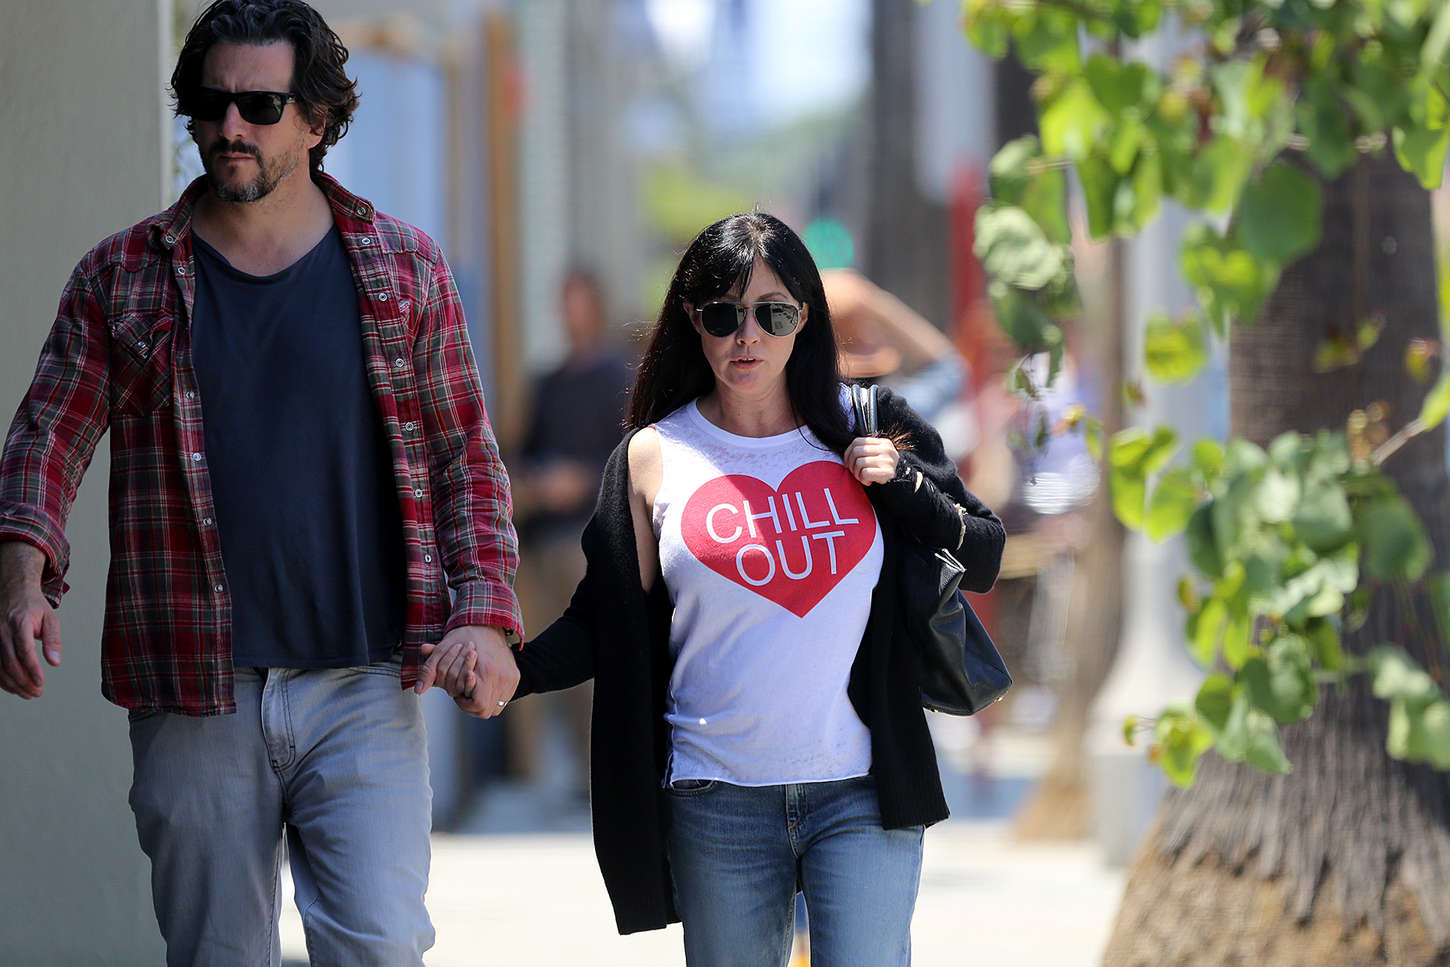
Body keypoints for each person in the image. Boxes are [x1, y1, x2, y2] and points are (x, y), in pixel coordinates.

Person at [0, 2, 521, 964]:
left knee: (380, 946)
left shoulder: (404, 268)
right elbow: (48, 435)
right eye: (211, 104)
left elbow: (465, 460)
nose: (230, 125)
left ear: (317, 120)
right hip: (194, 686)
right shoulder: (122, 277)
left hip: (363, 683)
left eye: (261, 105)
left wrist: (484, 612)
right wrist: (23, 575)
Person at [434, 213, 1005, 965]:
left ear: (805, 318)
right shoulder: (653, 456)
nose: (748, 336)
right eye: (724, 314)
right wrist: (515, 669)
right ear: (692, 320)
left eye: (773, 314)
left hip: (863, 792)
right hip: (717, 803)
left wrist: (903, 485)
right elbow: (601, 620)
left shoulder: (867, 424)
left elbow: (984, 552)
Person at [506, 268, 631, 797]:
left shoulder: (617, 376)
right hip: (539, 542)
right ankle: (528, 774)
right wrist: (533, 482)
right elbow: (519, 452)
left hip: (590, 541)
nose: (569, 312)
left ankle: (594, 776)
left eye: (577, 301)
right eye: (563, 301)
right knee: (525, 653)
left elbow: (633, 457)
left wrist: (580, 479)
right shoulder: (548, 382)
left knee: (588, 666)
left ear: (595, 305)